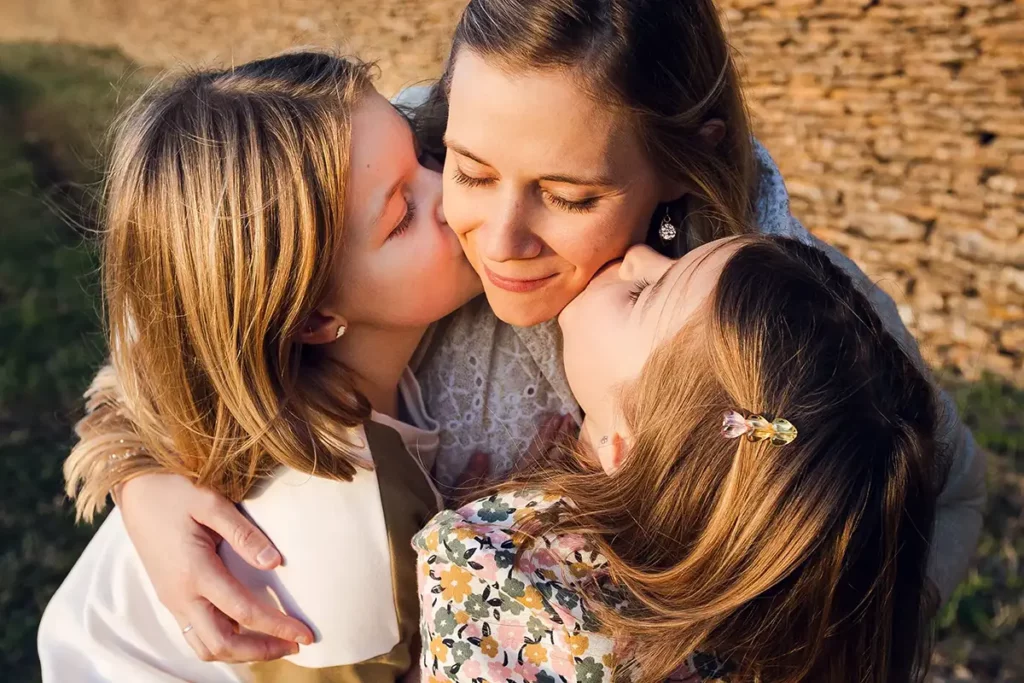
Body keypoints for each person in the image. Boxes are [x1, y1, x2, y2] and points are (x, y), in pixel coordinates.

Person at [53, 0, 983, 665]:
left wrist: (776, 630)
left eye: (571, 197)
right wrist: (145, 472)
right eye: (466, 167)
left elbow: (934, 487)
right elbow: (200, 285)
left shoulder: (783, 327)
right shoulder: (401, 155)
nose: (495, 239)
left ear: (680, 163)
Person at [38, 51, 482, 682]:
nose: (455, 192)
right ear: (312, 318)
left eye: (425, 156)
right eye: (402, 216)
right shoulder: (322, 560)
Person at [418, 236, 939, 683]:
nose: (637, 254)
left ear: (627, 448)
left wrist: (502, 516)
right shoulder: (787, 627)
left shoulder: (485, 566)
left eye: (644, 294)